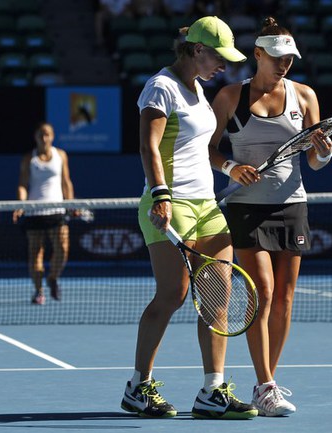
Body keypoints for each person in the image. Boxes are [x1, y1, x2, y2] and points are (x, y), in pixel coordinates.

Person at [121, 16, 257, 420]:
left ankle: (212, 392)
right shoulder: (161, 87)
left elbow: (199, 150)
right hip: (171, 203)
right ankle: (137, 387)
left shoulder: (198, 89)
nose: (224, 66)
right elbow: (148, 146)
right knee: (173, 295)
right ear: (197, 50)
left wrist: (229, 168)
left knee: (218, 297)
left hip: (207, 206)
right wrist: (160, 196)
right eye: (219, 58)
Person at [208, 17, 332, 416]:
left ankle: (266, 386)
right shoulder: (230, 96)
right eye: (277, 57)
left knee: (284, 300)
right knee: (261, 293)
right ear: (258, 54)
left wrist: (324, 151)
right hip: (246, 208)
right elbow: (207, 149)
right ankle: (266, 385)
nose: (284, 64)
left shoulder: (305, 96)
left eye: (289, 58)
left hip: (292, 205)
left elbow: (314, 161)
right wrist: (231, 168)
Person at [12, 122, 76, 305]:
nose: (44, 138)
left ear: (52, 136)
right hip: (34, 213)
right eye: (41, 134)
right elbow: (23, 185)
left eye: (47, 134)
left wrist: (72, 203)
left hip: (57, 211)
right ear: (36, 137)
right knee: (35, 254)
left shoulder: (61, 155)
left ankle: (52, 277)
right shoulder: (28, 159)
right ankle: (39, 291)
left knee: (62, 249)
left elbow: (66, 182)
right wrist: (21, 205)